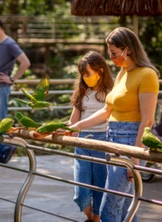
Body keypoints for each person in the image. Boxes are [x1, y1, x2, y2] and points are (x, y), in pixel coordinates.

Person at [69, 27, 160, 222]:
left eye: (114, 52)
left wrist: (136, 160)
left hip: (131, 143)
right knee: (126, 205)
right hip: (113, 141)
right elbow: (106, 111)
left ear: (128, 49)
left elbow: (148, 120)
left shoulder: (147, 75)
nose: (111, 58)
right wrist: (76, 127)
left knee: (109, 206)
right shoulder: (122, 73)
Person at [68, 51, 113, 222]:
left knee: (101, 188)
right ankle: (91, 217)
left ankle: (95, 218)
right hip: (82, 142)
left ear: (100, 71)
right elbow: (72, 121)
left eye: (88, 73)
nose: (85, 77)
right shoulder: (82, 93)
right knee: (81, 192)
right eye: (82, 75)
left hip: (104, 141)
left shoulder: (111, 92)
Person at [0, 15, 31, 163]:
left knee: (0, 120)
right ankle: (5, 147)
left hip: (1, 89)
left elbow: (25, 62)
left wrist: (12, 79)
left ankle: (3, 150)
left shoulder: (9, 43)